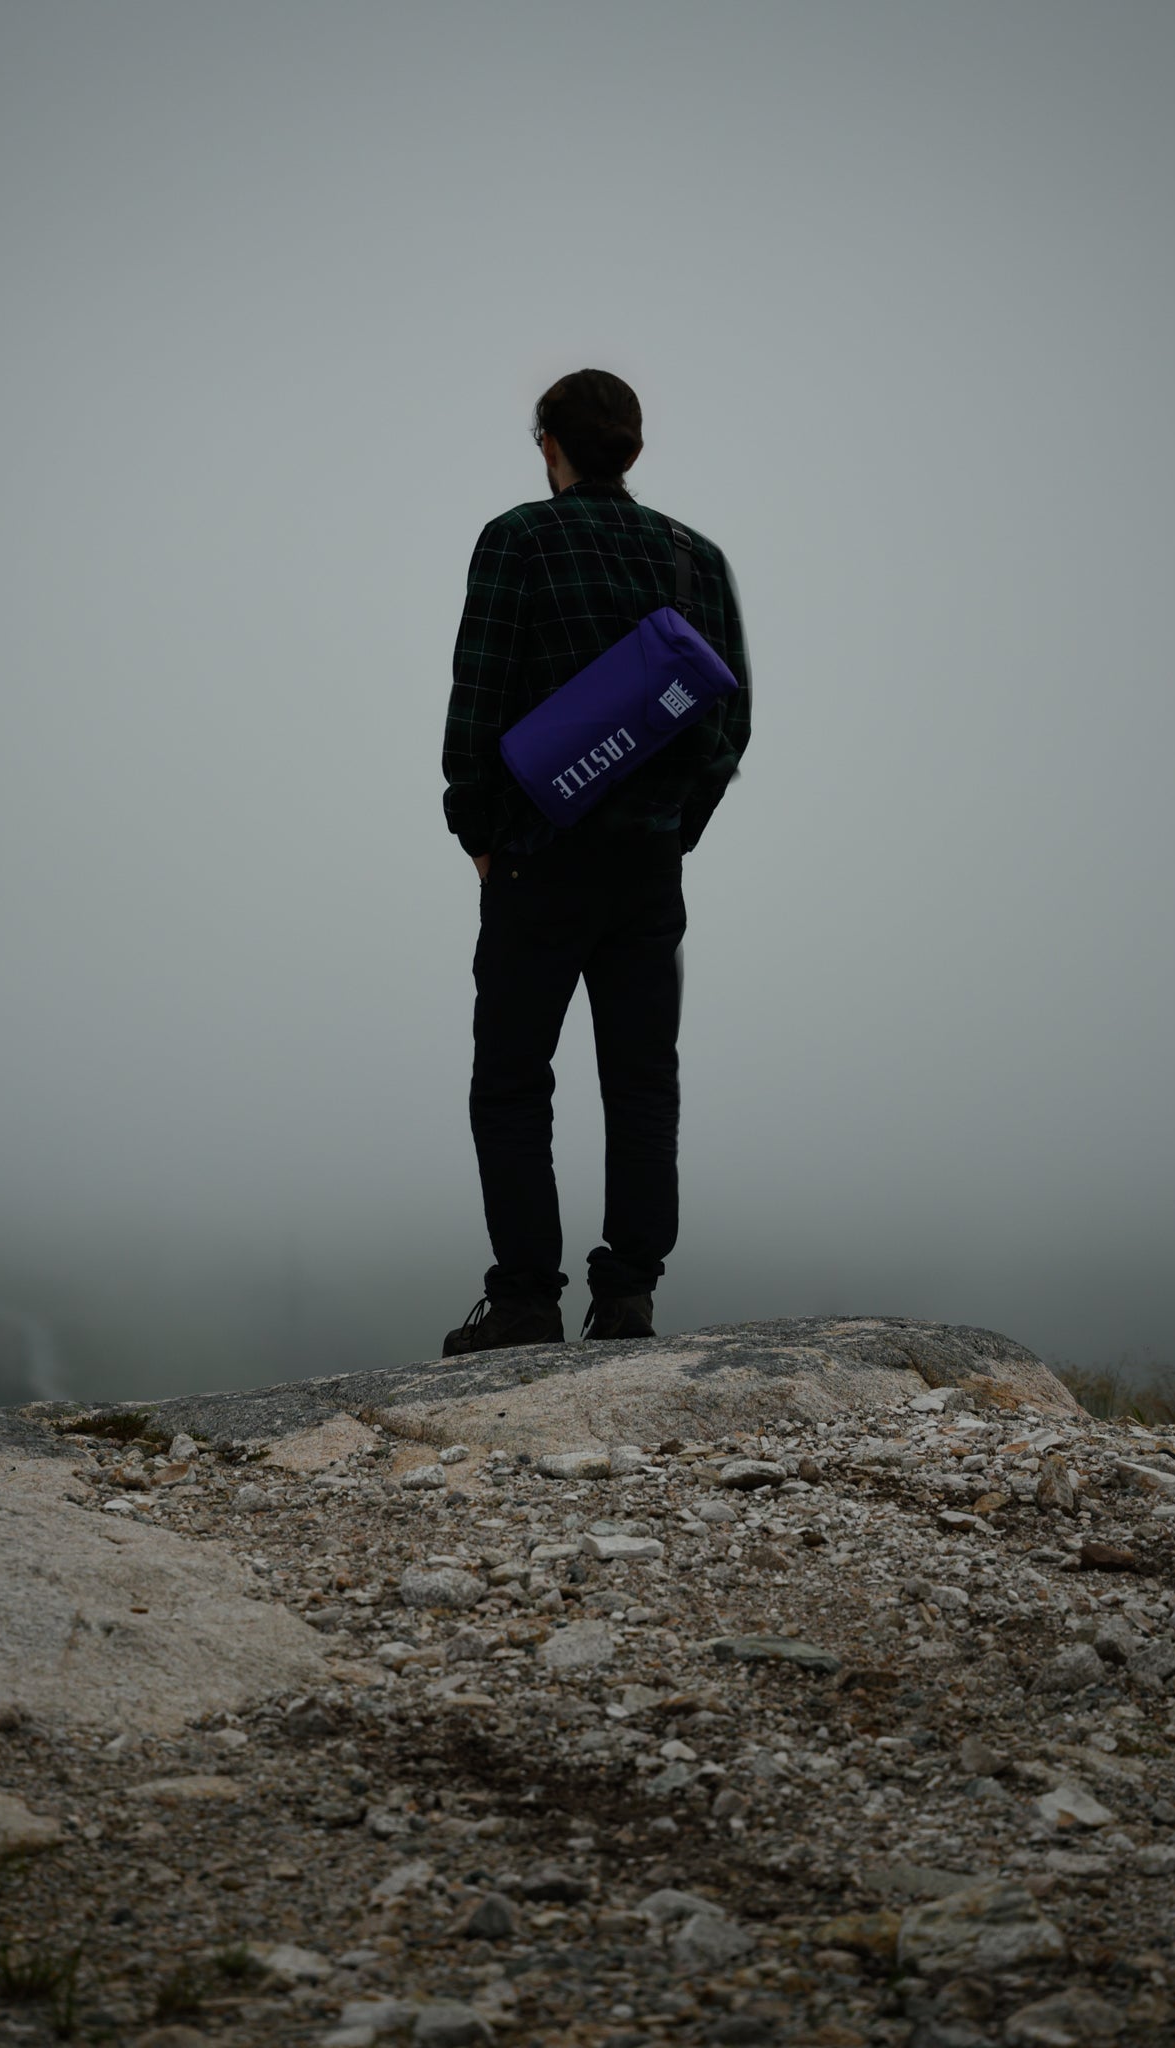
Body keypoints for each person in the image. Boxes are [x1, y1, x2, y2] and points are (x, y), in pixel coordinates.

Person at [440, 369, 752, 1357]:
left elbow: (476, 702)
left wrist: (478, 831)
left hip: (536, 859)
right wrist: (673, 827)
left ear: (549, 446)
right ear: (634, 448)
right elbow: (725, 723)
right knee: (640, 1079)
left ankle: (526, 1297)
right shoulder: (693, 558)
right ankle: (626, 1298)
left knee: (510, 1080)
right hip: (646, 871)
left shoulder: (517, 540)